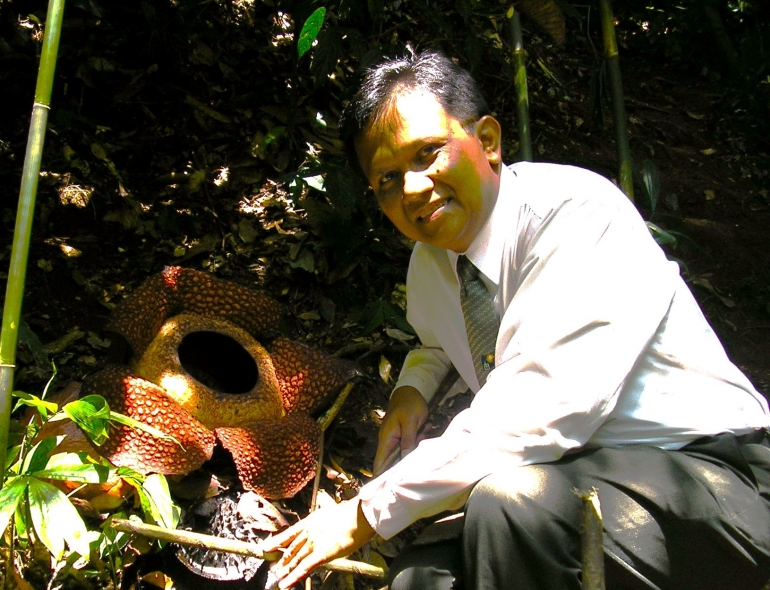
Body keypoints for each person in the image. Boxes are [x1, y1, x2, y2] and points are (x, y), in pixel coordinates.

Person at [261, 49, 770, 590]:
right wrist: (411, 390)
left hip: (717, 476)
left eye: (428, 154)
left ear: (487, 141)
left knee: (508, 507)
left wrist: (365, 513)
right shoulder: (432, 263)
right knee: (421, 579)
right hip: (576, 476)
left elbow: (540, 411)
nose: (410, 188)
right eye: (387, 179)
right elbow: (436, 343)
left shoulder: (576, 216)